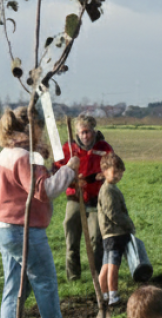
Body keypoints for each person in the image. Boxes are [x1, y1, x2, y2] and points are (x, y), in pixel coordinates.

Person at [0, 106, 80, 318]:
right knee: (44, 280)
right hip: (23, 231)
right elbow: (44, 190)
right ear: (34, 128)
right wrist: (68, 172)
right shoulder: (25, 158)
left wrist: (41, 159)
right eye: (41, 127)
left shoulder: (7, 153)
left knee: (14, 285)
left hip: (2, 228)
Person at [54, 113, 113, 281]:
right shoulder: (69, 149)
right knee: (71, 237)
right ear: (77, 133)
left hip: (96, 199)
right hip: (75, 197)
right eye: (82, 132)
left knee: (96, 237)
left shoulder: (104, 148)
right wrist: (73, 181)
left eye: (88, 132)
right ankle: (73, 276)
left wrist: (103, 176)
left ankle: (98, 275)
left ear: (94, 131)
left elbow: (111, 168)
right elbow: (58, 169)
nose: (85, 135)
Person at [96, 153, 134, 306]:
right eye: (115, 172)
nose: (118, 175)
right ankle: (113, 296)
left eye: (120, 172)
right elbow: (114, 214)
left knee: (106, 265)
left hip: (111, 234)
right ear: (105, 171)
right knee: (113, 266)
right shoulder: (108, 190)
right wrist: (128, 225)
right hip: (114, 233)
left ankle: (104, 295)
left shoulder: (111, 188)